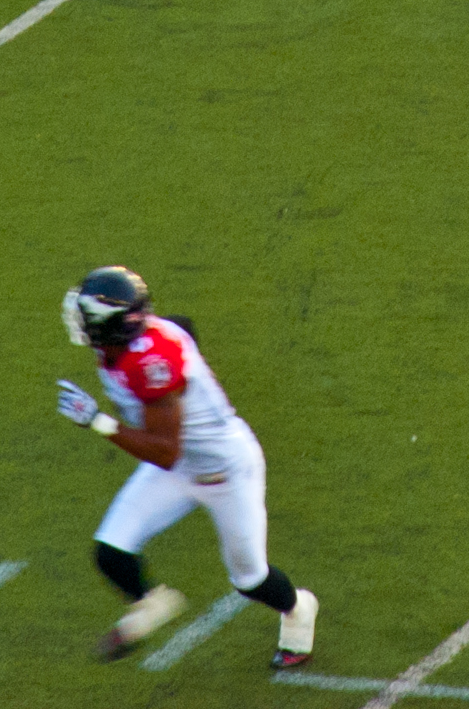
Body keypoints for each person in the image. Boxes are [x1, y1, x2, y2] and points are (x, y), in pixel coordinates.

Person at [53, 266, 319, 670]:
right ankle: (152, 604)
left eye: (88, 316)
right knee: (111, 552)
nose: (79, 321)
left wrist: (96, 420)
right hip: (177, 465)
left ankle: (299, 608)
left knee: (250, 579)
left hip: (222, 470)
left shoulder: (149, 362)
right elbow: (182, 328)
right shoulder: (132, 342)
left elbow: (164, 453)